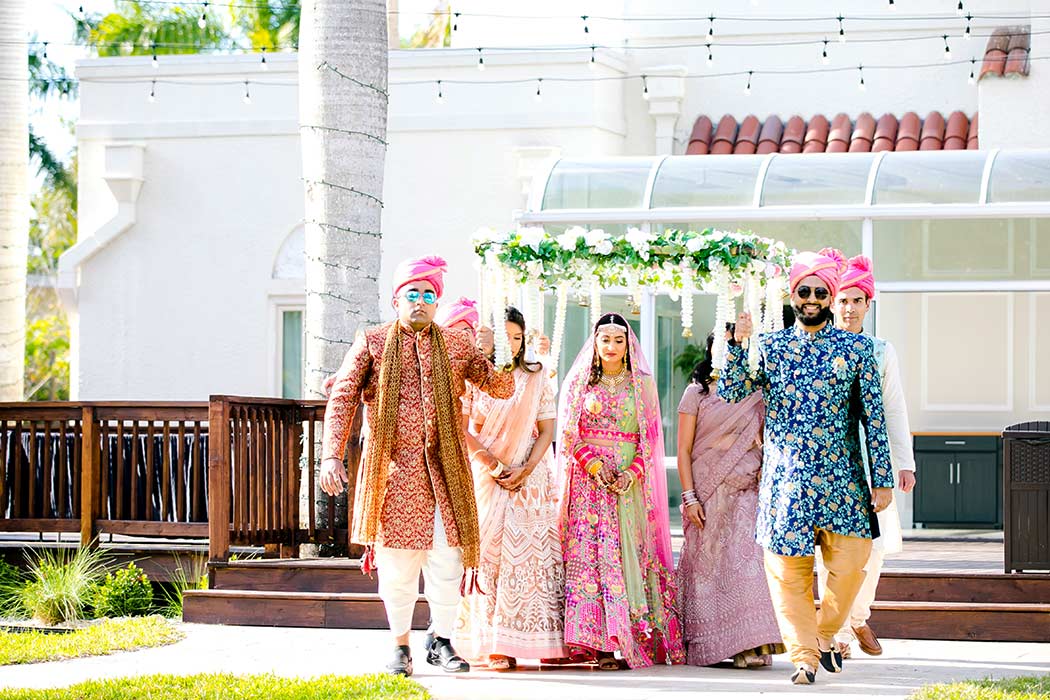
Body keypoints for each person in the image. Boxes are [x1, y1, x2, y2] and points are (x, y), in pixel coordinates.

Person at [319, 255, 515, 678]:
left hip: (446, 475)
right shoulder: (371, 342)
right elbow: (342, 398)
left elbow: (499, 386)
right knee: (397, 567)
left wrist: (505, 350)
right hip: (394, 478)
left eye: (429, 295)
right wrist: (331, 454)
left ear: (436, 302)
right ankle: (400, 646)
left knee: (446, 563)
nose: (421, 302)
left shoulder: (458, 345)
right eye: (413, 294)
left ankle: (442, 641)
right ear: (397, 300)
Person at [719, 250, 894, 685]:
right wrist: (738, 347)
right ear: (792, 295)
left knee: (852, 564)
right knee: (786, 572)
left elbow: (874, 416)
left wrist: (884, 479)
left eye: (820, 291)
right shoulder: (771, 347)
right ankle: (803, 658)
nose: (812, 298)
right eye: (804, 291)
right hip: (786, 482)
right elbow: (730, 392)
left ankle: (825, 633)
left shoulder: (857, 348)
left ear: (830, 297)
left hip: (843, 480)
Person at [557, 312, 685, 670]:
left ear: (628, 346)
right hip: (589, 484)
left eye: (618, 340)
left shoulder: (641, 385)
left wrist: (631, 473)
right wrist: (595, 466)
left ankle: (626, 640)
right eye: (604, 339)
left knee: (627, 556)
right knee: (591, 560)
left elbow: (652, 439)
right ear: (594, 343)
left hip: (627, 488)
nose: (611, 346)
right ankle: (594, 644)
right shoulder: (581, 382)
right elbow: (569, 434)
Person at [454, 306, 567, 669]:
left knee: (533, 558)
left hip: (529, 476)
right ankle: (495, 643)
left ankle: (541, 642)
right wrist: (495, 464)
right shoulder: (474, 378)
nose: (513, 344)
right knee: (490, 556)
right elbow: (462, 427)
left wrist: (525, 468)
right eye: (506, 337)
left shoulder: (537, 378)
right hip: (488, 475)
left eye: (518, 337)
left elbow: (547, 429)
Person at [823, 252, 916, 658]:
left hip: (873, 462)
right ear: (831, 303)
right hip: (829, 462)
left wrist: (904, 461)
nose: (848, 308)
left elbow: (895, 407)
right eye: (841, 300)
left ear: (867, 304)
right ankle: (841, 635)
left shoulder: (882, 351)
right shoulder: (816, 348)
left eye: (856, 300)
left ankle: (857, 616)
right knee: (834, 552)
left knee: (874, 551)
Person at [675, 330, 785, 668]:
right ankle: (714, 645)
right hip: (708, 495)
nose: (731, 350)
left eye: (739, 345)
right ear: (712, 349)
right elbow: (683, 449)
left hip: (748, 491)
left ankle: (751, 643)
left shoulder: (758, 393)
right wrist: (690, 496)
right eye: (725, 344)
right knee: (709, 569)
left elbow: (768, 444)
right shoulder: (697, 392)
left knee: (748, 565)